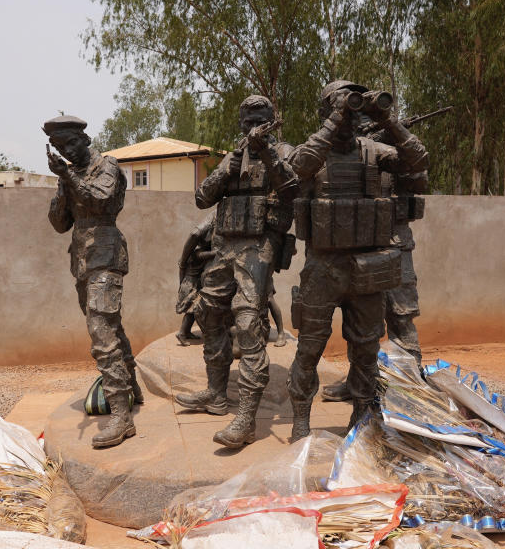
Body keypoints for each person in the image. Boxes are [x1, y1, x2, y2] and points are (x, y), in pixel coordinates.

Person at [286, 80, 429, 440]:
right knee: (309, 348)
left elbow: (418, 160)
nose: (352, 114)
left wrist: (389, 120)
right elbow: (299, 167)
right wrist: (334, 121)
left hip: (367, 270)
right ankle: (301, 419)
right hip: (323, 269)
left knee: (365, 351)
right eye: (343, 105)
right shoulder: (314, 150)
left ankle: (362, 418)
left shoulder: (373, 150)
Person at [174, 95, 298, 448]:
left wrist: (268, 154)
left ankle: (246, 418)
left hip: (259, 247)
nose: (252, 127)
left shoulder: (286, 152)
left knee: (246, 322)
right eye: (246, 121)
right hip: (225, 246)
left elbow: (292, 189)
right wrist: (228, 166)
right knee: (208, 314)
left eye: (259, 119)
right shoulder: (233, 155)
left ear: (272, 119)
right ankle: (215, 395)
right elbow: (202, 198)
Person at [44, 115, 142, 449]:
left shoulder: (108, 166)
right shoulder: (68, 174)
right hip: (83, 260)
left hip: (107, 254)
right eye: (60, 147)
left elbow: (100, 201)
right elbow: (60, 223)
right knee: (108, 326)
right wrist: (61, 187)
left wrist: (68, 176)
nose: (67, 151)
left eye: (71, 143)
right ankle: (133, 389)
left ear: (85, 139)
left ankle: (121, 417)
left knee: (101, 332)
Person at [322, 119, 427, 402]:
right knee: (359, 322)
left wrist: (392, 131)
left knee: (401, 316)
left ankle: (411, 388)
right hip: (360, 243)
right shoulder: (354, 154)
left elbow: (419, 172)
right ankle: (357, 382)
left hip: (394, 244)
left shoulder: (393, 158)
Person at [176, 215, 217, 346]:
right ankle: (182, 333)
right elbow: (207, 255)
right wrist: (216, 252)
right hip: (191, 285)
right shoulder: (196, 254)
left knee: (192, 312)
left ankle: (186, 331)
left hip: (188, 284)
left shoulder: (192, 254)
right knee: (192, 311)